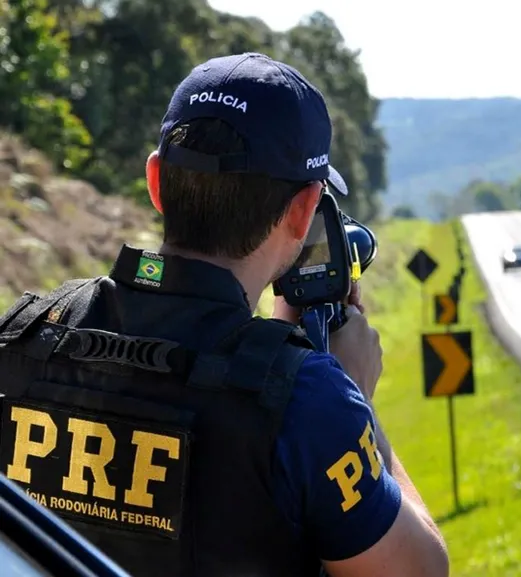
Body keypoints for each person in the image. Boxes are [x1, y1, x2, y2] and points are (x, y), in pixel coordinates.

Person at [0, 52, 449, 577]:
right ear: (305, 211)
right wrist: (356, 402)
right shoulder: (310, 401)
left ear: (156, 182)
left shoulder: (24, 334)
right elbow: (421, 570)